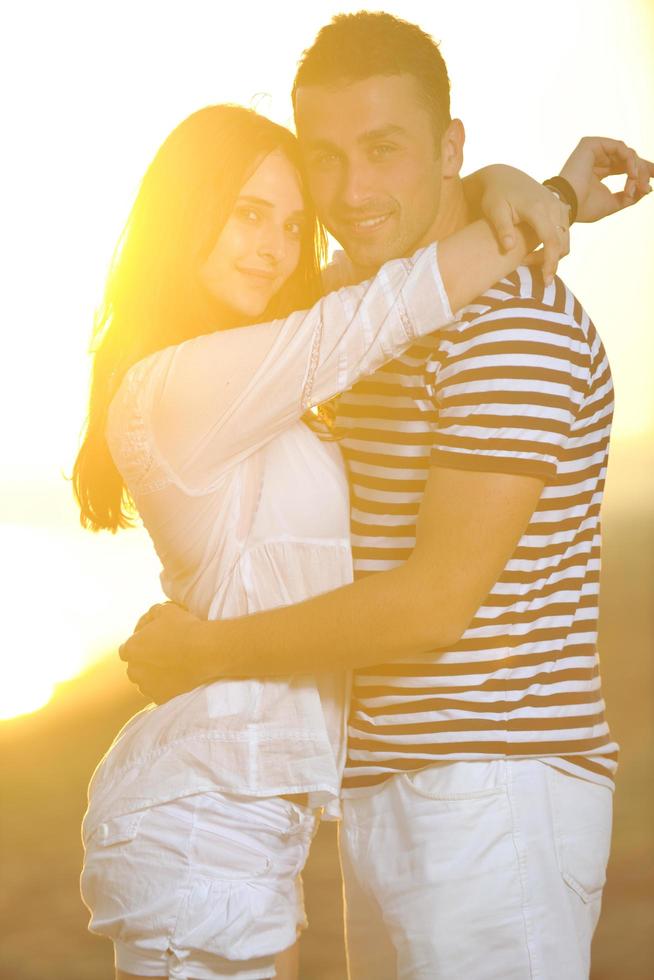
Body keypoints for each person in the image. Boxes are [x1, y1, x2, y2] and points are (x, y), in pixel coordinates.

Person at [120, 13, 654, 980]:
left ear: (451, 147)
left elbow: (434, 603)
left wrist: (207, 651)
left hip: (490, 791)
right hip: (385, 792)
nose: (352, 193)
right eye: (325, 159)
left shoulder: (512, 325)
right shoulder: (367, 311)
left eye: (384, 150)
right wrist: (541, 194)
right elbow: (337, 308)